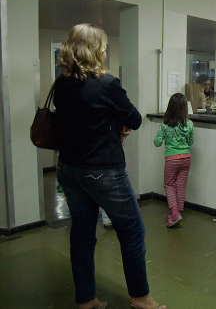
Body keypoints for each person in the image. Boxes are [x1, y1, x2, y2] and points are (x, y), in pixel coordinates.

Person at [54, 23, 166, 309]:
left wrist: (110, 124)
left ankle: (86, 300)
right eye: (103, 47)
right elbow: (136, 119)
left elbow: (80, 120)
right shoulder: (106, 84)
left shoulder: (62, 84)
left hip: (69, 168)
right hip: (103, 170)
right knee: (131, 230)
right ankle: (140, 297)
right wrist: (119, 125)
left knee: (81, 233)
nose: (105, 52)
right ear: (95, 51)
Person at [153, 93, 194, 228]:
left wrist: (162, 137)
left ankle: (174, 212)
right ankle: (177, 213)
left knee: (169, 185)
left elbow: (157, 143)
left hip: (172, 159)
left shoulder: (165, 125)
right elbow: (191, 141)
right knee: (180, 186)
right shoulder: (189, 124)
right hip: (186, 158)